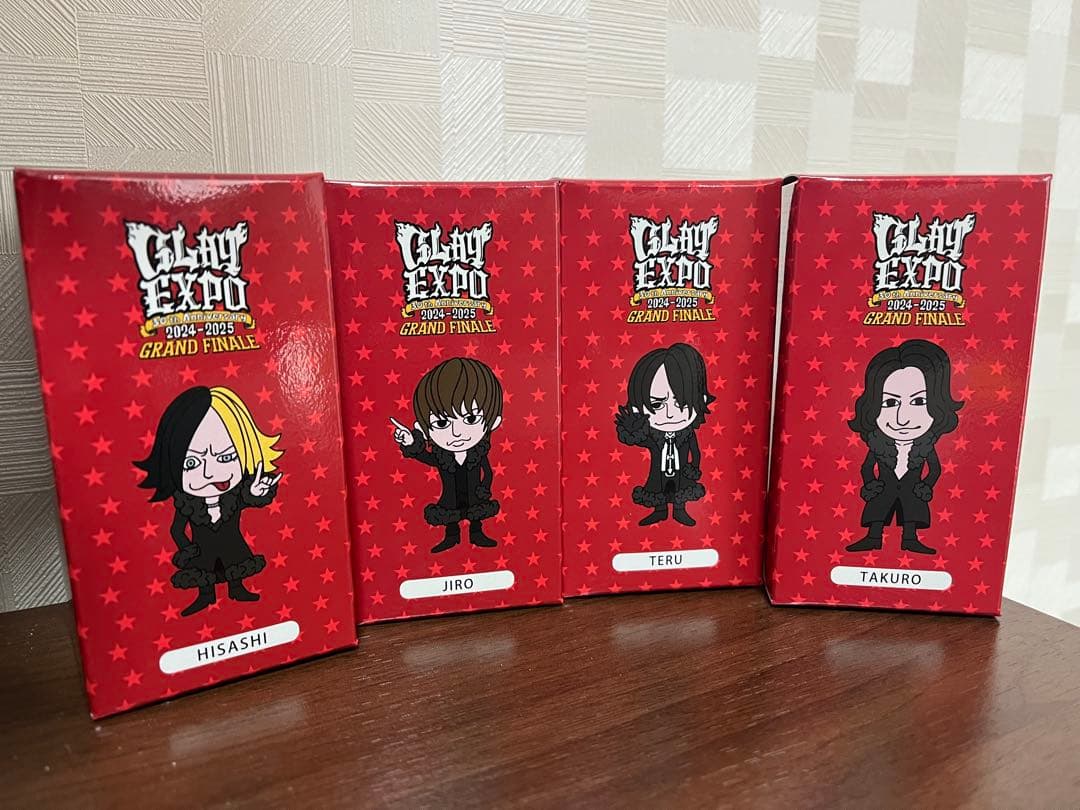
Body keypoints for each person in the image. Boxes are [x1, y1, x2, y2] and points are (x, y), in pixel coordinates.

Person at [135, 386, 282, 616]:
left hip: (232, 545)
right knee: (205, 574)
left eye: (226, 457)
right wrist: (188, 549)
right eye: (191, 463)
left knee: (235, 567)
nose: (209, 473)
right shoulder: (187, 502)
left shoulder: (234, 494)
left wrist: (256, 491)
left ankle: (237, 589)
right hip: (203, 550)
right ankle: (206, 596)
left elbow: (249, 500)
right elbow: (176, 529)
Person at [846, 339, 963, 555]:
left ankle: (910, 539)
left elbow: (935, 469)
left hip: (911, 487)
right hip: (885, 486)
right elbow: (866, 467)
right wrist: (871, 484)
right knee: (878, 508)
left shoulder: (926, 444)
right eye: (890, 403)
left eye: (918, 402)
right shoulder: (878, 443)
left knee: (912, 510)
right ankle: (873, 537)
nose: (902, 419)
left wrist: (926, 485)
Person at [392, 357, 503, 553]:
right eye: (442, 423)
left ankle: (476, 534)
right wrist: (410, 442)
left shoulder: (478, 452)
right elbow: (425, 457)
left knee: (476, 513)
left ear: (492, 421)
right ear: (424, 428)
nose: (456, 433)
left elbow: (487, 471)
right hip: (451, 496)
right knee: (451, 515)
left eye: (470, 419)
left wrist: (484, 488)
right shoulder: (442, 456)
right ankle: (452, 537)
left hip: (474, 494)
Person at [615, 343, 715, 527]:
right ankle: (659, 512)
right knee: (657, 490)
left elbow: (696, 452)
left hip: (681, 472)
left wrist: (694, 467)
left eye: (681, 404)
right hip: (658, 472)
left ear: (700, 400)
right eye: (657, 404)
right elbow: (640, 440)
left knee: (681, 491)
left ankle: (679, 511)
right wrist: (632, 429)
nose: (669, 414)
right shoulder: (654, 434)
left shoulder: (687, 433)